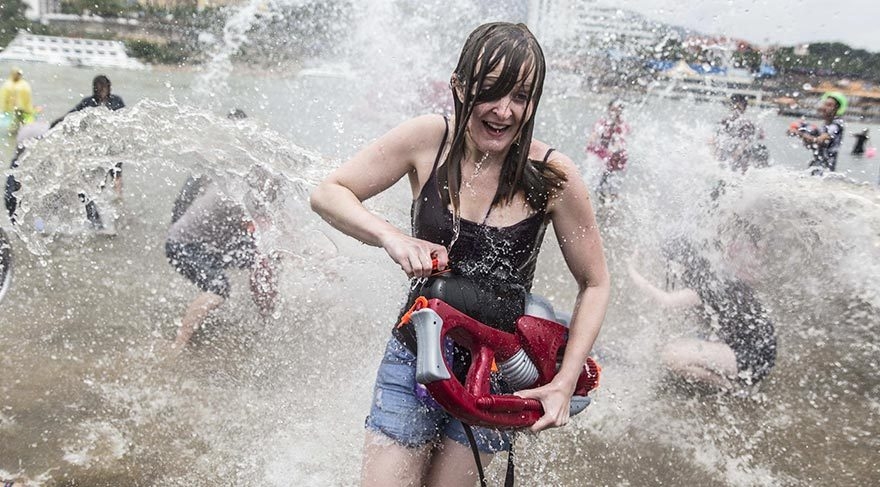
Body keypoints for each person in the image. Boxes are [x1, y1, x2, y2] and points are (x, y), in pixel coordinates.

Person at [310, 22, 610, 487]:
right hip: (414, 352)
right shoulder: (429, 139)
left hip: (497, 373)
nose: (504, 111)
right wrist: (392, 237)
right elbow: (330, 193)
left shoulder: (553, 175)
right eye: (490, 91)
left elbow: (595, 283)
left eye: (521, 96)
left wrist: (564, 382)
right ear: (460, 84)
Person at [627, 237, 776, 390]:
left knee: (671, 355)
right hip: (763, 352)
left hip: (752, 358)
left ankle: (731, 387)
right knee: (682, 344)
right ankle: (732, 379)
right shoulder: (715, 276)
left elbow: (666, 300)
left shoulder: (704, 285)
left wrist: (632, 271)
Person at [165, 171, 279, 351]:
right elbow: (264, 229)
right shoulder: (237, 199)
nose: (273, 193)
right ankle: (178, 346)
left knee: (264, 258)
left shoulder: (240, 188)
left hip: (211, 244)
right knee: (219, 288)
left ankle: (266, 317)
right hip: (183, 246)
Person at [787, 91, 846, 176]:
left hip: (825, 171)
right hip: (816, 166)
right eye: (824, 104)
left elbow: (820, 140)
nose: (824, 107)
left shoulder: (837, 125)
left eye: (829, 105)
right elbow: (814, 144)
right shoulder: (824, 125)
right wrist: (801, 131)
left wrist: (799, 133)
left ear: (836, 108)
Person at [585, 98, 629, 203]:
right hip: (602, 157)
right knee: (597, 185)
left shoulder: (623, 126)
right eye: (612, 109)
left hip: (616, 160)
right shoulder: (602, 123)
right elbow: (593, 136)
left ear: (621, 112)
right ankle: (600, 203)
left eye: (617, 110)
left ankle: (611, 204)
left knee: (612, 187)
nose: (614, 113)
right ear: (608, 109)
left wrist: (614, 150)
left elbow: (621, 142)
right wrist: (593, 140)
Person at [713, 94, 768, 173]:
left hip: (739, 160)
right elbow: (715, 140)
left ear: (744, 109)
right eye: (734, 107)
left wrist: (735, 155)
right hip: (725, 158)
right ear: (730, 107)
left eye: (738, 108)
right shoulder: (724, 122)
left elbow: (745, 143)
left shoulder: (747, 124)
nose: (736, 110)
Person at [0, 67, 36, 135]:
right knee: (16, 123)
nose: (17, 76)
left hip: (21, 108)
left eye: (18, 74)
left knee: (19, 123)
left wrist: (29, 109)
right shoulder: (8, 85)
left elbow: (27, 98)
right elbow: (4, 98)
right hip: (13, 109)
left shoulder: (23, 85)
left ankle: (19, 133)